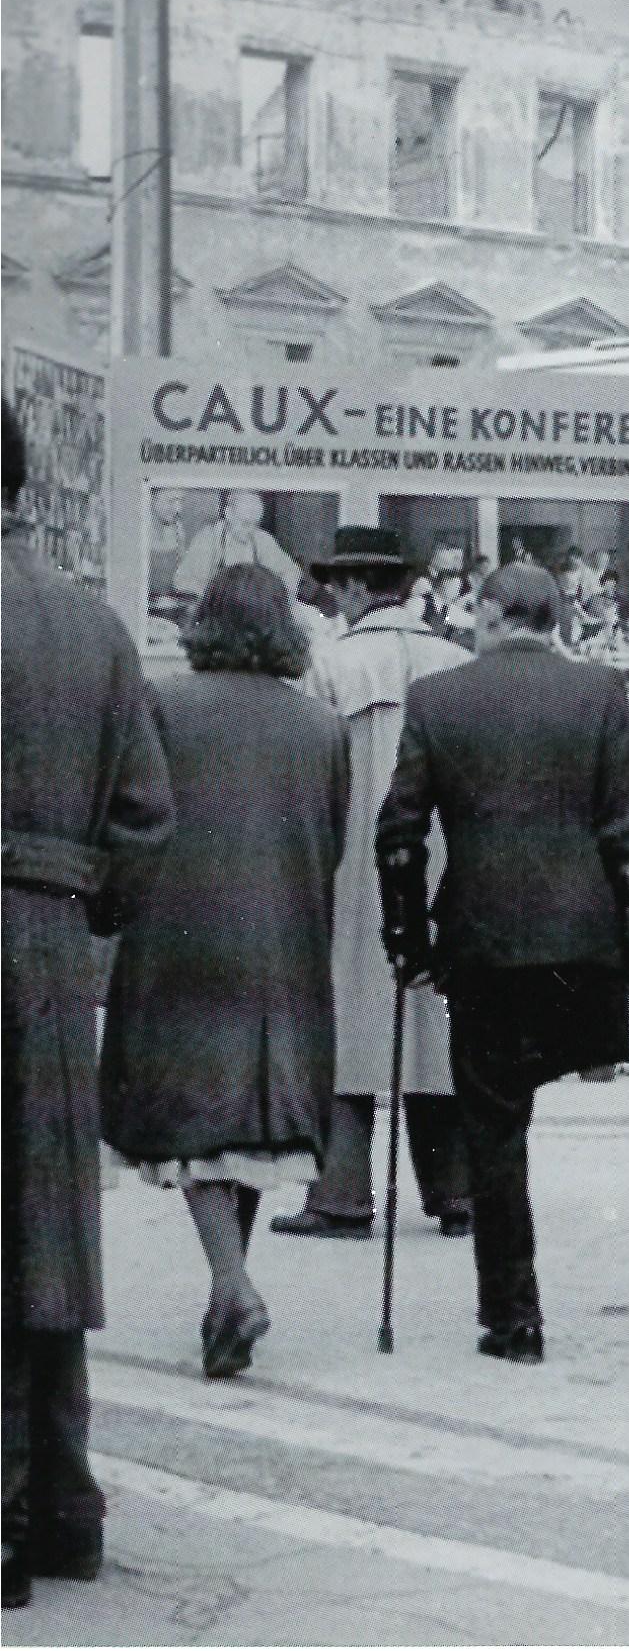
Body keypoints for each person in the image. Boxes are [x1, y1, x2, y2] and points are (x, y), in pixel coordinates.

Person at [377, 563, 629, 1363]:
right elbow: (626, 832)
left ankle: (512, 1316)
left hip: (484, 942)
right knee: (539, 1088)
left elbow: (400, 835)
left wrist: (408, 944)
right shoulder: (600, 693)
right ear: (555, 617)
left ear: (493, 613)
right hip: (580, 946)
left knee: (494, 1129)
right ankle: (513, 1309)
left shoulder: (438, 698)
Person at [2, 402, 175, 1611]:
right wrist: (77, 904)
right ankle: (61, 1503)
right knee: (44, 1219)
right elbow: (146, 820)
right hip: (49, 938)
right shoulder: (95, 627)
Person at [101, 566, 348, 1379]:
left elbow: (132, 814)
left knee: (196, 1119)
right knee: (250, 1121)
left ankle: (230, 1285)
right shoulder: (321, 727)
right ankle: (225, 1289)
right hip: (283, 941)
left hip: (182, 934)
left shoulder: (165, 707)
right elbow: (331, 841)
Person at [271, 529, 473, 1243]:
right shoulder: (456, 663)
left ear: (355, 588)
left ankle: (341, 1193)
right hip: (441, 858)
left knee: (346, 1018)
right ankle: (457, 1193)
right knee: (435, 1025)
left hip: (349, 858)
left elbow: (303, 773)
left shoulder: (328, 666)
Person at [172, 488, 302, 604]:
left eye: (255, 524)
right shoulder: (209, 538)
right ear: (228, 514)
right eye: (245, 524)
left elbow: (290, 572)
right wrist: (218, 594)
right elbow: (182, 581)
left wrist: (285, 589)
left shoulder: (262, 539)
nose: (251, 530)